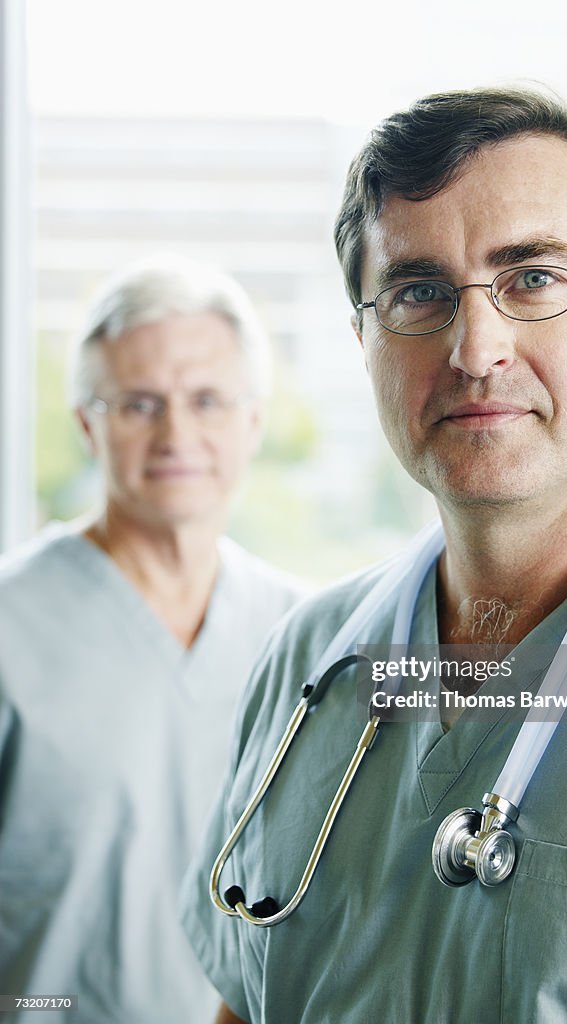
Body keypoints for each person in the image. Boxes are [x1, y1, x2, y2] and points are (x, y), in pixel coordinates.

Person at [181, 88, 567, 1023]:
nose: (474, 348)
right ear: (364, 342)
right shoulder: (313, 659)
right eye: (418, 292)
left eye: (532, 278)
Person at [0, 255, 306, 1023]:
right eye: (139, 404)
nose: (176, 434)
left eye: (207, 400)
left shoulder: (306, 635)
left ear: (252, 420)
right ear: (87, 424)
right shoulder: (12, 624)